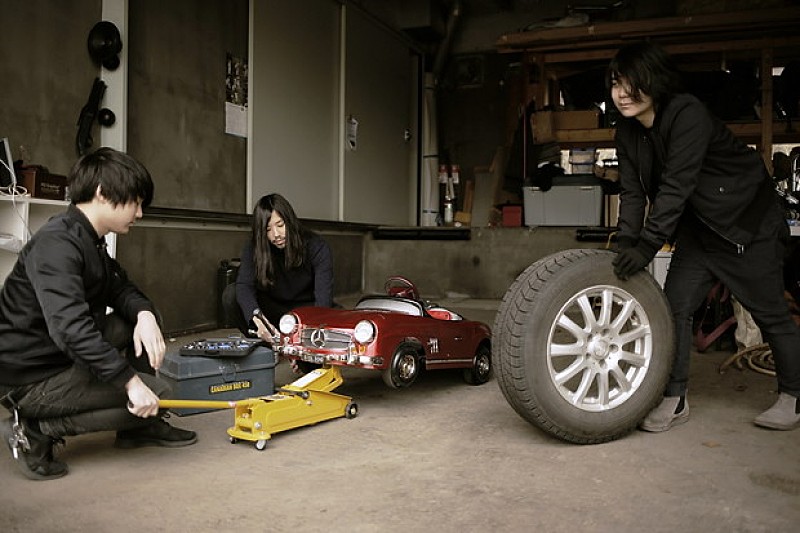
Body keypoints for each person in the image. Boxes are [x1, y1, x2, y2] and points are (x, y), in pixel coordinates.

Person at [607, 41, 800, 432]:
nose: (622, 93)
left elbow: (677, 186)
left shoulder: (687, 114)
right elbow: (632, 192)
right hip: (699, 232)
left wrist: (648, 245)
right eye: (615, 83)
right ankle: (674, 397)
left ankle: (793, 396)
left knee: (770, 313)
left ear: (655, 81)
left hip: (744, 225)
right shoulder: (626, 132)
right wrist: (626, 243)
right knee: (674, 308)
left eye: (632, 83)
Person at [0, 148, 196, 481]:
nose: (139, 213)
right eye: (135, 202)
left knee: (140, 320)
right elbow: (71, 329)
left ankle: (138, 428)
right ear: (103, 193)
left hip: (55, 354)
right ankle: (37, 429)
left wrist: (145, 315)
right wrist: (130, 382)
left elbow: (121, 289)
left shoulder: (89, 240)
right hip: (30, 377)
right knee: (159, 396)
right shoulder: (56, 245)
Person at [222, 193, 334, 345]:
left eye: (280, 225)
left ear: (290, 221)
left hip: (305, 310)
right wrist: (257, 319)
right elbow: (244, 286)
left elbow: (323, 299)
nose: (276, 235)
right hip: (272, 311)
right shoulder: (255, 246)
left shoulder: (316, 246)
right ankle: (264, 344)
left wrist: (309, 338)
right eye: (267, 229)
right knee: (231, 295)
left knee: (345, 322)